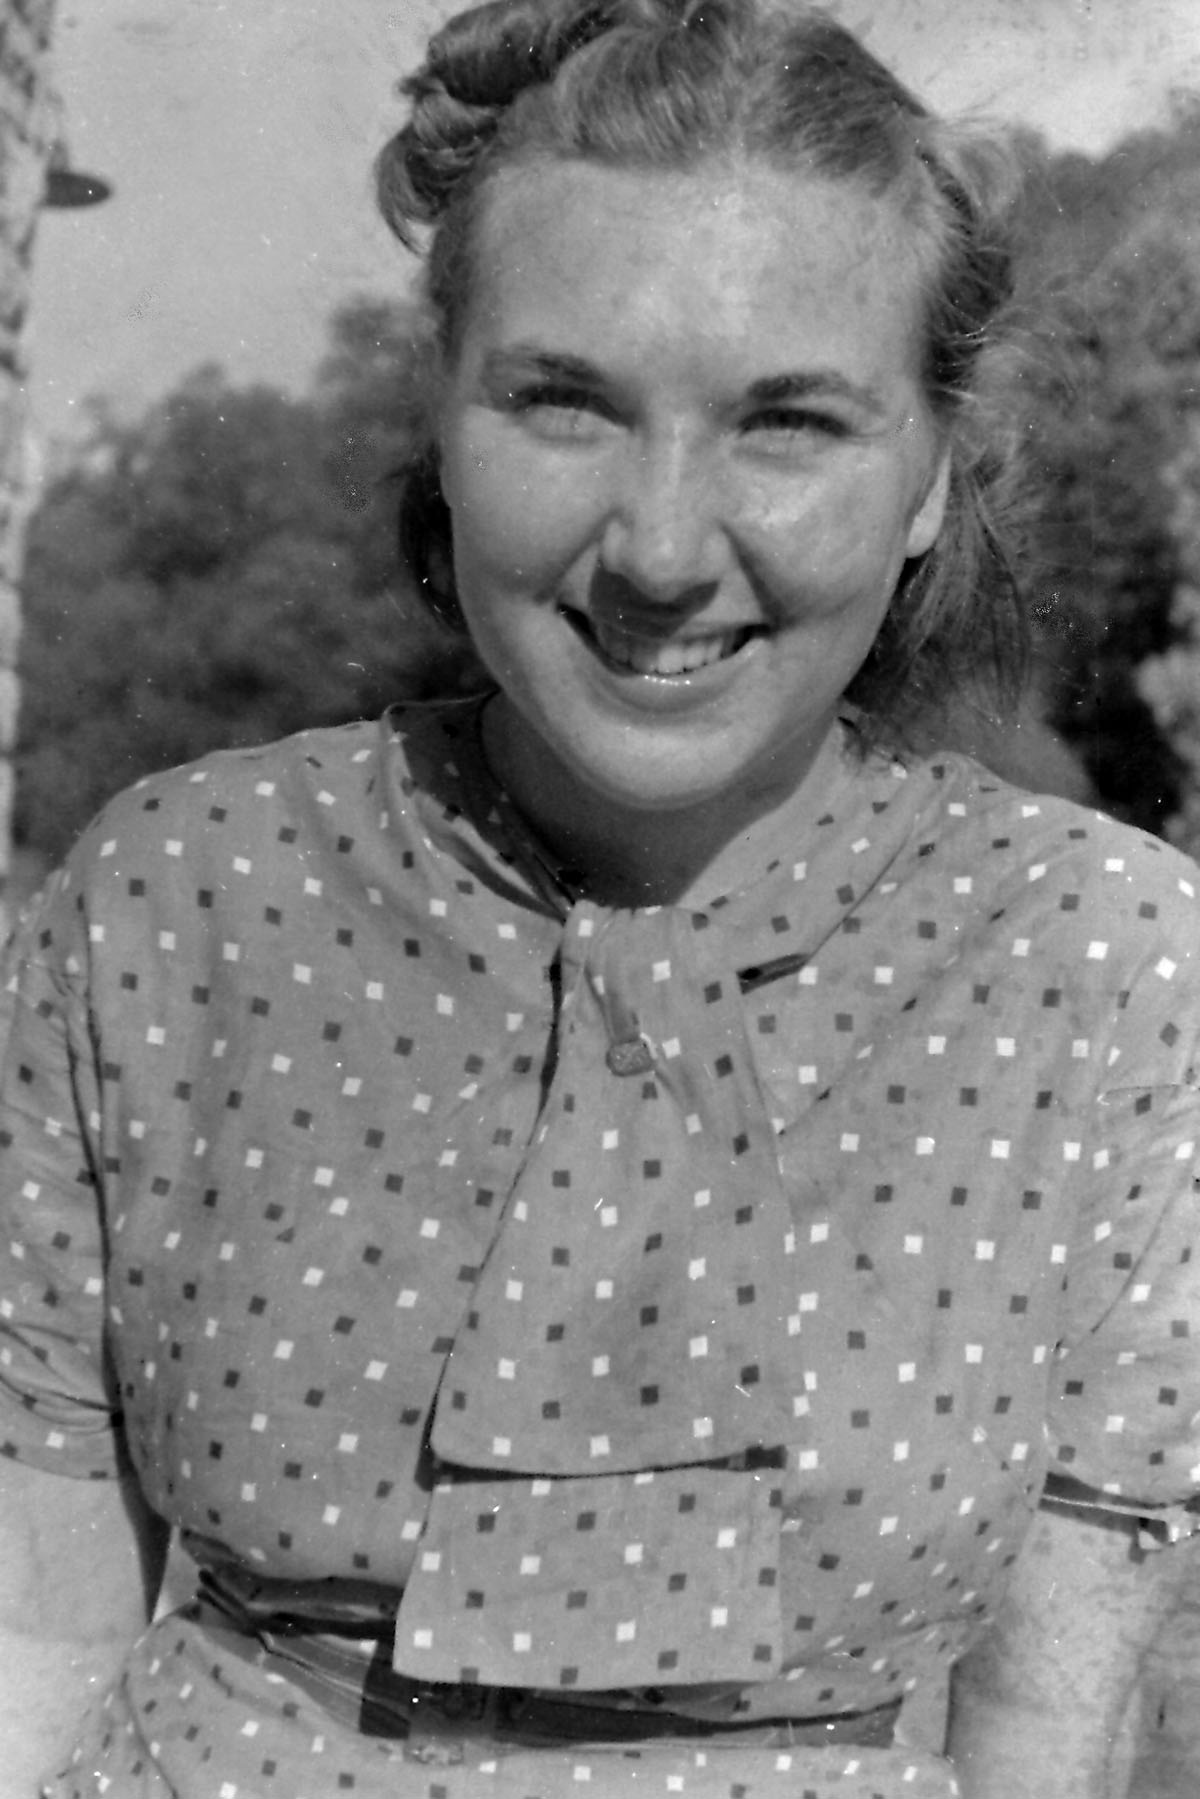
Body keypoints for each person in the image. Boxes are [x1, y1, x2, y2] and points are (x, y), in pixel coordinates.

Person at [1, 1, 1197, 1794]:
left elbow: (1052, 1725)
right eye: (565, 402)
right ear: (442, 414)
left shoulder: (1107, 969)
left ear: (933, 478)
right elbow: (35, 1650)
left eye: (789, 423)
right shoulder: (170, 902)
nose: (657, 547)